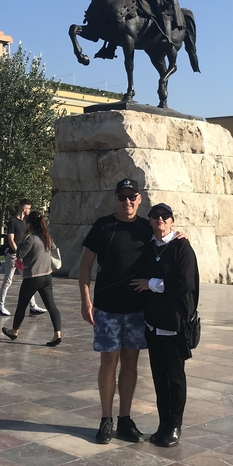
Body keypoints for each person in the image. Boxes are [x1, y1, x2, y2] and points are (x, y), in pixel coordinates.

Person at [78, 178, 151, 445]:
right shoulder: (103, 226)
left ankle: (125, 418)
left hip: (136, 310)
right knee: (108, 363)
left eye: (132, 197)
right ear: (116, 199)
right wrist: (86, 300)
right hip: (107, 308)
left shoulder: (146, 228)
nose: (127, 202)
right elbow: (85, 265)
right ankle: (106, 419)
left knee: (131, 363)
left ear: (139, 199)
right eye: (122, 197)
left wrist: (181, 236)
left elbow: (167, 240)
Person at [131, 202, 199, 448]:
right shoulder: (149, 248)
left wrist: (151, 284)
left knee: (175, 377)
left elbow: (184, 281)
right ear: (150, 221)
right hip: (153, 324)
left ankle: (175, 425)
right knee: (159, 377)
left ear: (172, 221)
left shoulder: (181, 246)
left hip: (175, 324)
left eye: (165, 216)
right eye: (156, 216)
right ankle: (162, 424)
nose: (160, 220)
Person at [1, 211, 62, 347]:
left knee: (22, 305)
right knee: (51, 306)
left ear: (30, 224)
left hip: (33, 277)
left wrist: (21, 240)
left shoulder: (31, 239)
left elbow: (20, 253)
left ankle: (14, 331)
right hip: (47, 276)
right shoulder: (47, 237)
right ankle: (57, 334)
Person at [0, 200, 45, 316]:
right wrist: (18, 253)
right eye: (28, 208)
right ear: (24, 209)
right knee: (8, 281)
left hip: (22, 257)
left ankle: (33, 306)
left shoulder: (26, 222)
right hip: (13, 256)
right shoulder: (13, 222)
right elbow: (11, 239)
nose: (29, 210)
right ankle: (0, 306)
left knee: (28, 280)